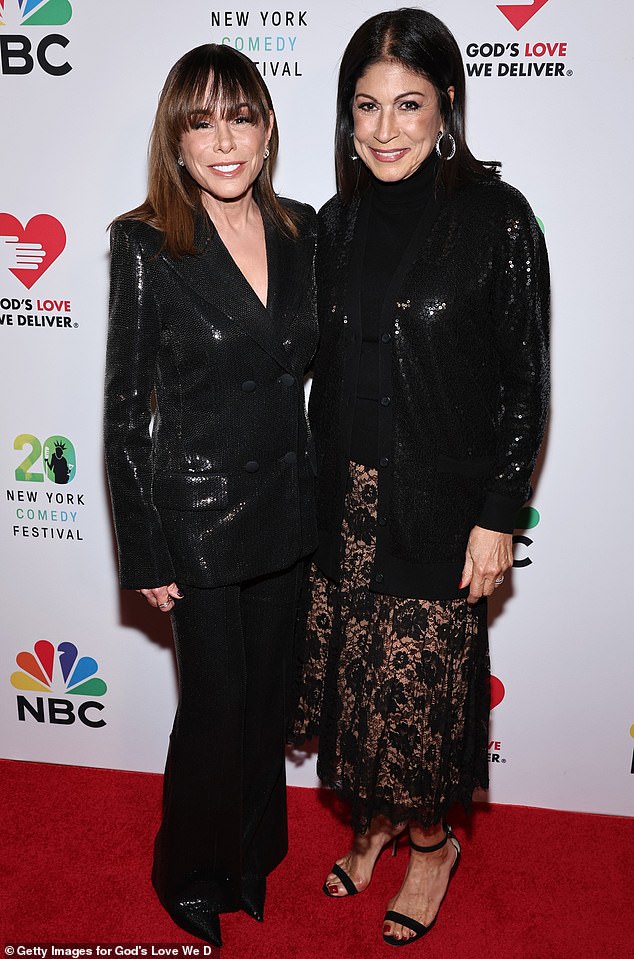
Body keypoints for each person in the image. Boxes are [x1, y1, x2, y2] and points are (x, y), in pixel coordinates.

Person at [291, 8, 549, 947]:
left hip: (437, 503)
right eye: (366, 106)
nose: (386, 129)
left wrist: (497, 514)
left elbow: (526, 382)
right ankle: (377, 822)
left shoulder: (497, 219)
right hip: (340, 497)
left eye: (408, 104)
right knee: (356, 686)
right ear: (345, 116)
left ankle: (432, 841)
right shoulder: (333, 223)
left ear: (448, 107)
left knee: (418, 696)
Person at [104, 44, 318, 948]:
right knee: (214, 709)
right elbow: (121, 410)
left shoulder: (306, 230)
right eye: (202, 122)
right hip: (196, 520)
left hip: (288, 513)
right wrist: (145, 549)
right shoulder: (148, 242)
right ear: (177, 139)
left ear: (268, 128)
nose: (224, 141)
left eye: (240, 117)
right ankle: (187, 867)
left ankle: (254, 855)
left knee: (266, 704)